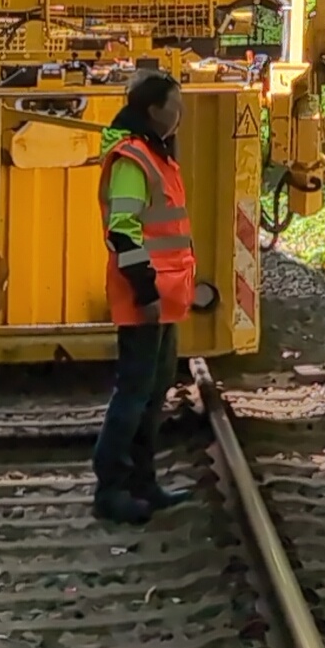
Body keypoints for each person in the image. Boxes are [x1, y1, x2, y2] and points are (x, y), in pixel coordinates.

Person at [95, 66, 201, 523]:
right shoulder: (133, 159)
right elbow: (124, 233)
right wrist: (145, 292)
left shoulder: (156, 156)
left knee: (153, 393)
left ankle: (143, 481)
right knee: (133, 394)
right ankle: (111, 488)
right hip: (146, 297)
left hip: (165, 297)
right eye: (174, 106)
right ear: (154, 110)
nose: (179, 115)